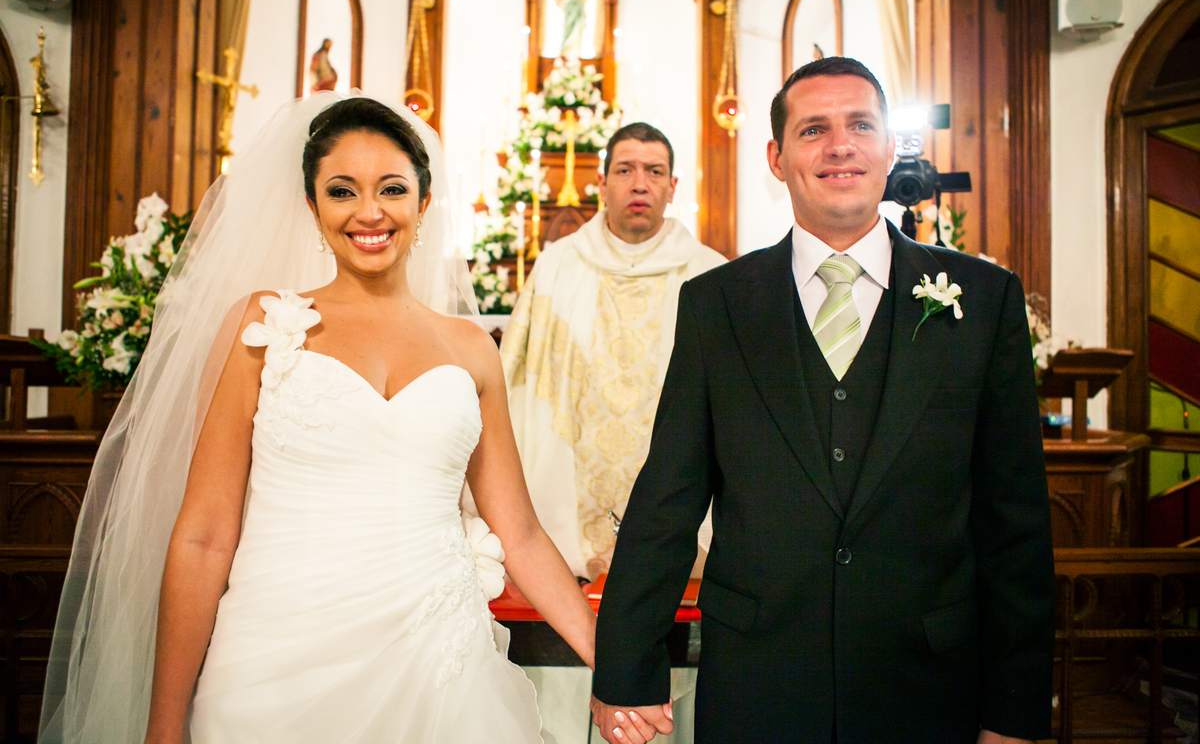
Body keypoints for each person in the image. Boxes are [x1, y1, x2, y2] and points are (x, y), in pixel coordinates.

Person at [39, 95, 648, 744]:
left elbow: (519, 532)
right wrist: (164, 725)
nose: (369, 212)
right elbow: (204, 535)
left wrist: (610, 661)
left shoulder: (471, 350)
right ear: (312, 207)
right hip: (275, 664)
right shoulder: (260, 326)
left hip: (436, 665)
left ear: (423, 201)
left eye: (391, 188)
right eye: (341, 190)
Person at [590, 58, 1055, 743]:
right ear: (777, 159)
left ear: (890, 146)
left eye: (860, 125)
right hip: (760, 678)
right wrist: (626, 669)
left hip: (927, 680)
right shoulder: (717, 302)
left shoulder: (982, 301)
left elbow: (1013, 518)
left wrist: (1014, 708)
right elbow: (670, 494)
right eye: (814, 129)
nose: (840, 145)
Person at [501, 122, 725, 582]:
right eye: (625, 170)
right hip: (567, 500)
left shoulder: (710, 275)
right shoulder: (557, 265)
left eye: (654, 171)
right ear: (602, 184)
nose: (640, 183)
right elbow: (517, 377)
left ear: (672, 186)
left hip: (679, 494)